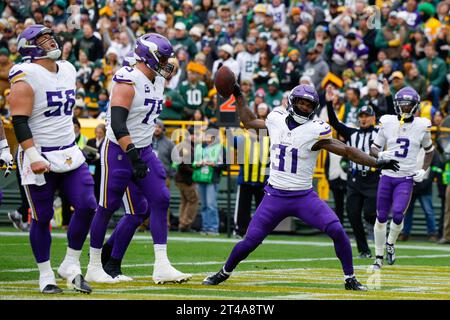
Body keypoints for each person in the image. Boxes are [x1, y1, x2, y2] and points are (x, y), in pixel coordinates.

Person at [203, 83, 399, 290]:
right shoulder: (276, 118)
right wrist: (238, 94)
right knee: (250, 241)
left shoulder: (316, 129)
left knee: (337, 230)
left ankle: (350, 278)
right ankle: (224, 272)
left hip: (303, 197)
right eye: (301, 103)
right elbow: (249, 121)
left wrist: (376, 162)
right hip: (274, 195)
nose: (304, 107)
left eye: (309, 104)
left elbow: (348, 151)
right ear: (292, 102)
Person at [85, 33, 191, 284]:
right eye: (163, 57)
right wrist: (134, 156)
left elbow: (169, 69)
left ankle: (160, 265)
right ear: (149, 57)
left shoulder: (157, 80)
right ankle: (93, 266)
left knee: (159, 199)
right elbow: (119, 125)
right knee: (106, 207)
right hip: (119, 152)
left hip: (143, 149)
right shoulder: (127, 79)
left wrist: (141, 154)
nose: (167, 62)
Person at [8, 25, 95, 294]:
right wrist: (32, 155)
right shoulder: (26, 75)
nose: (51, 41)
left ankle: (69, 263)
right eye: (43, 39)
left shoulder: (68, 69)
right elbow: (19, 120)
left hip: (69, 150)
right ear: (31, 46)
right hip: (40, 152)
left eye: (50, 37)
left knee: (87, 205)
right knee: (42, 216)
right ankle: (45, 275)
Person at [370, 87, 434, 269]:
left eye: (408, 104)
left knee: (398, 214)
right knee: (381, 217)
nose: (405, 107)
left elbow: (429, 150)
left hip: (405, 177)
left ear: (415, 106)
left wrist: (423, 169)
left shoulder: (422, 125)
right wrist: (381, 155)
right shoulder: (387, 122)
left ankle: (391, 243)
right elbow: (373, 148)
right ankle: (378, 257)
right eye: (402, 104)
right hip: (387, 176)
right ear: (396, 105)